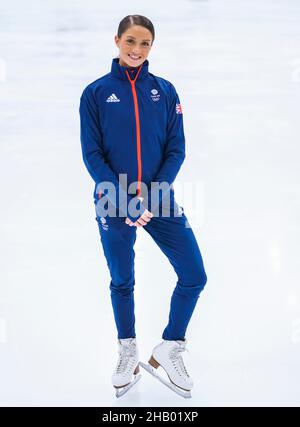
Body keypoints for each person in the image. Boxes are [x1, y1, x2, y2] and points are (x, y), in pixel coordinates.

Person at [79, 14, 207, 398]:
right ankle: (127, 348)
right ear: (117, 40)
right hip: (111, 199)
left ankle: (169, 347)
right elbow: (92, 156)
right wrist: (125, 202)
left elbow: (176, 149)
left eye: (145, 43)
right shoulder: (95, 93)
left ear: (152, 46)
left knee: (194, 274)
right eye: (130, 41)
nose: (137, 50)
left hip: (158, 199)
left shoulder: (165, 91)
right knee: (122, 280)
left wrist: (150, 197)